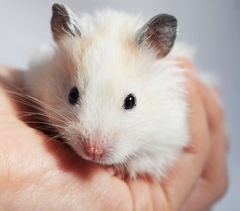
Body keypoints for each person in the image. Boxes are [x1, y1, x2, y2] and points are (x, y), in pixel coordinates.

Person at [0, 59, 228, 211]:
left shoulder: (169, 86)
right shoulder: (51, 67)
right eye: (74, 96)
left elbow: (175, 139)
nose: (93, 148)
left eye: (129, 103)